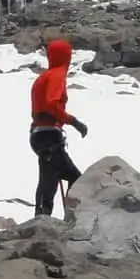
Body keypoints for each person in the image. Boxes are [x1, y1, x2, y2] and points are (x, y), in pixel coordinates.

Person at [29, 38, 88, 216]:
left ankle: (59, 217)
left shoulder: (43, 77)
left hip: (41, 134)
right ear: (66, 57)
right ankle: (42, 219)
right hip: (48, 135)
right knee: (49, 178)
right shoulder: (56, 75)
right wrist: (74, 121)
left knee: (71, 178)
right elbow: (51, 103)